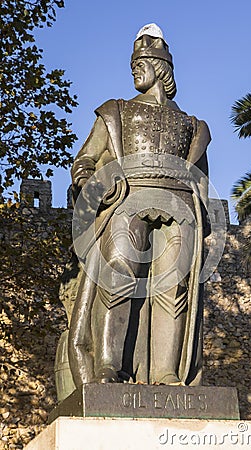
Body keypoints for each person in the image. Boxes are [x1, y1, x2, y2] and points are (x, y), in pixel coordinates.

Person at [63, 24, 211, 392]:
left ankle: (166, 373)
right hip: (127, 199)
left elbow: (200, 179)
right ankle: (109, 367)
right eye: (134, 64)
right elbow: (84, 162)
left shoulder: (192, 126)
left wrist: (202, 214)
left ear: (161, 68)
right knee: (118, 278)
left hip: (178, 206)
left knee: (173, 289)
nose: (134, 70)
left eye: (141, 63)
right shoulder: (115, 112)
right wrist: (94, 184)